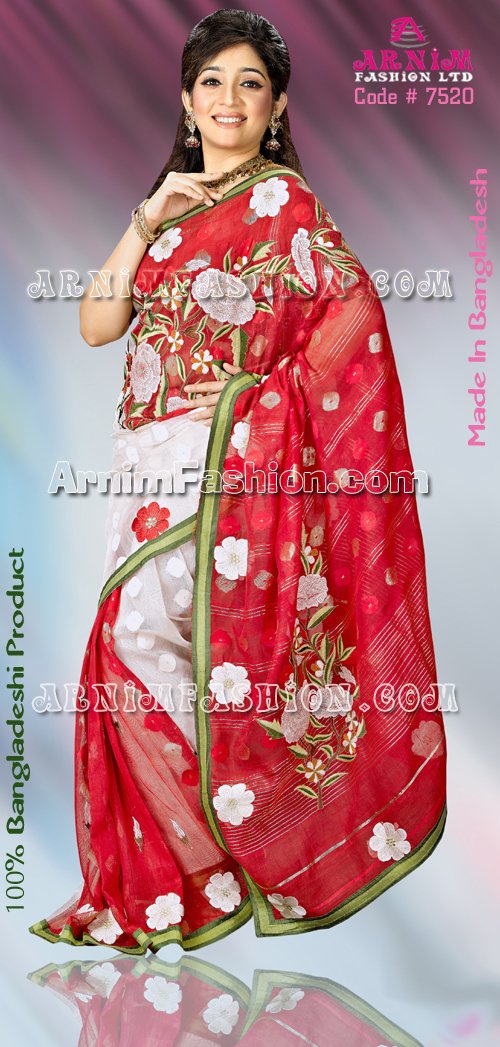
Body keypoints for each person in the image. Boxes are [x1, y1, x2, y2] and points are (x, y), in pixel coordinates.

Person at [29, 9, 447, 955]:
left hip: (225, 458)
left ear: (277, 105)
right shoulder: (169, 211)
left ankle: (222, 859)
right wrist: (145, 219)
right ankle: (199, 870)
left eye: (249, 83)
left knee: (152, 637)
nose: (229, 99)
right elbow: (98, 325)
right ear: (186, 100)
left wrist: (257, 410)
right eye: (211, 82)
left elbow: (353, 323)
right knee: (145, 646)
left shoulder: (285, 204)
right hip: (144, 462)